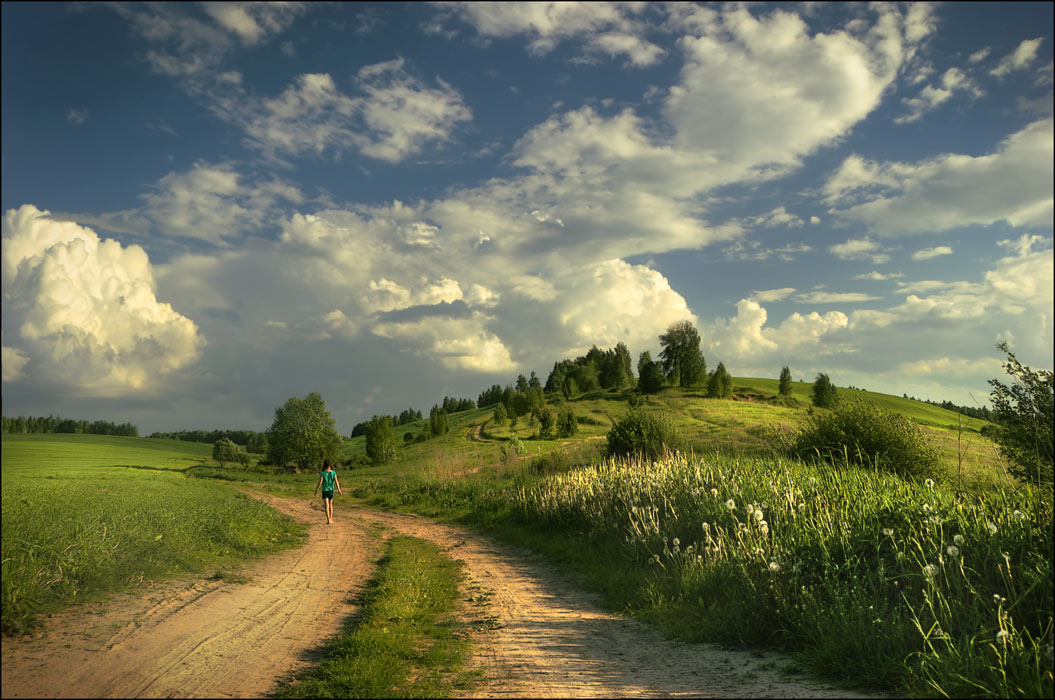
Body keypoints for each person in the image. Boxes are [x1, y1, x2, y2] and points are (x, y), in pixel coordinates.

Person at [313, 458, 343, 524]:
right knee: (331, 505)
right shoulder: (334, 472)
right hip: (331, 490)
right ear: (330, 465)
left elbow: (320, 483)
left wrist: (316, 490)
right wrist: (339, 490)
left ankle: (328, 520)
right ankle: (331, 518)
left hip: (325, 491)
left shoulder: (323, 473)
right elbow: (336, 481)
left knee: (326, 505)